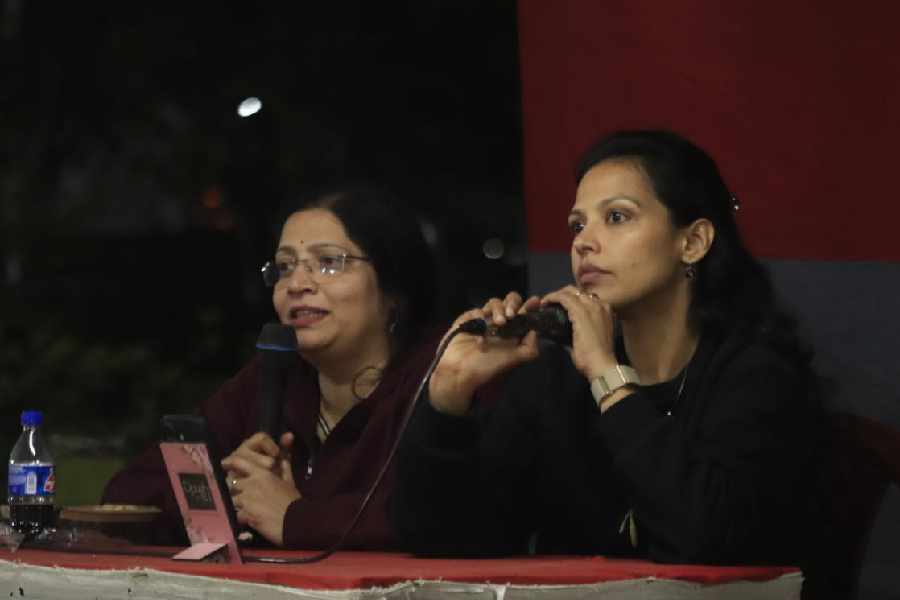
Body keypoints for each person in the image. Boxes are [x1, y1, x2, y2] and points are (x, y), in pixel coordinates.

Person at [391, 130, 823, 566]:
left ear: (692, 243)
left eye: (617, 217)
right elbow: (445, 538)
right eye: (578, 225)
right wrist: (447, 397)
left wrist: (607, 376)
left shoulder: (756, 374)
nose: (583, 242)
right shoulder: (556, 379)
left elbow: (706, 539)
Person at [103, 185, 439, 549]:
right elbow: (127, 494)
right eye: (284, 267)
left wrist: (295, 517)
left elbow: (443, 516)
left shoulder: (438, 378)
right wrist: (229, 489)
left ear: (393, 290)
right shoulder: (273, 375)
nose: (295, 284)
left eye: (328, 262)